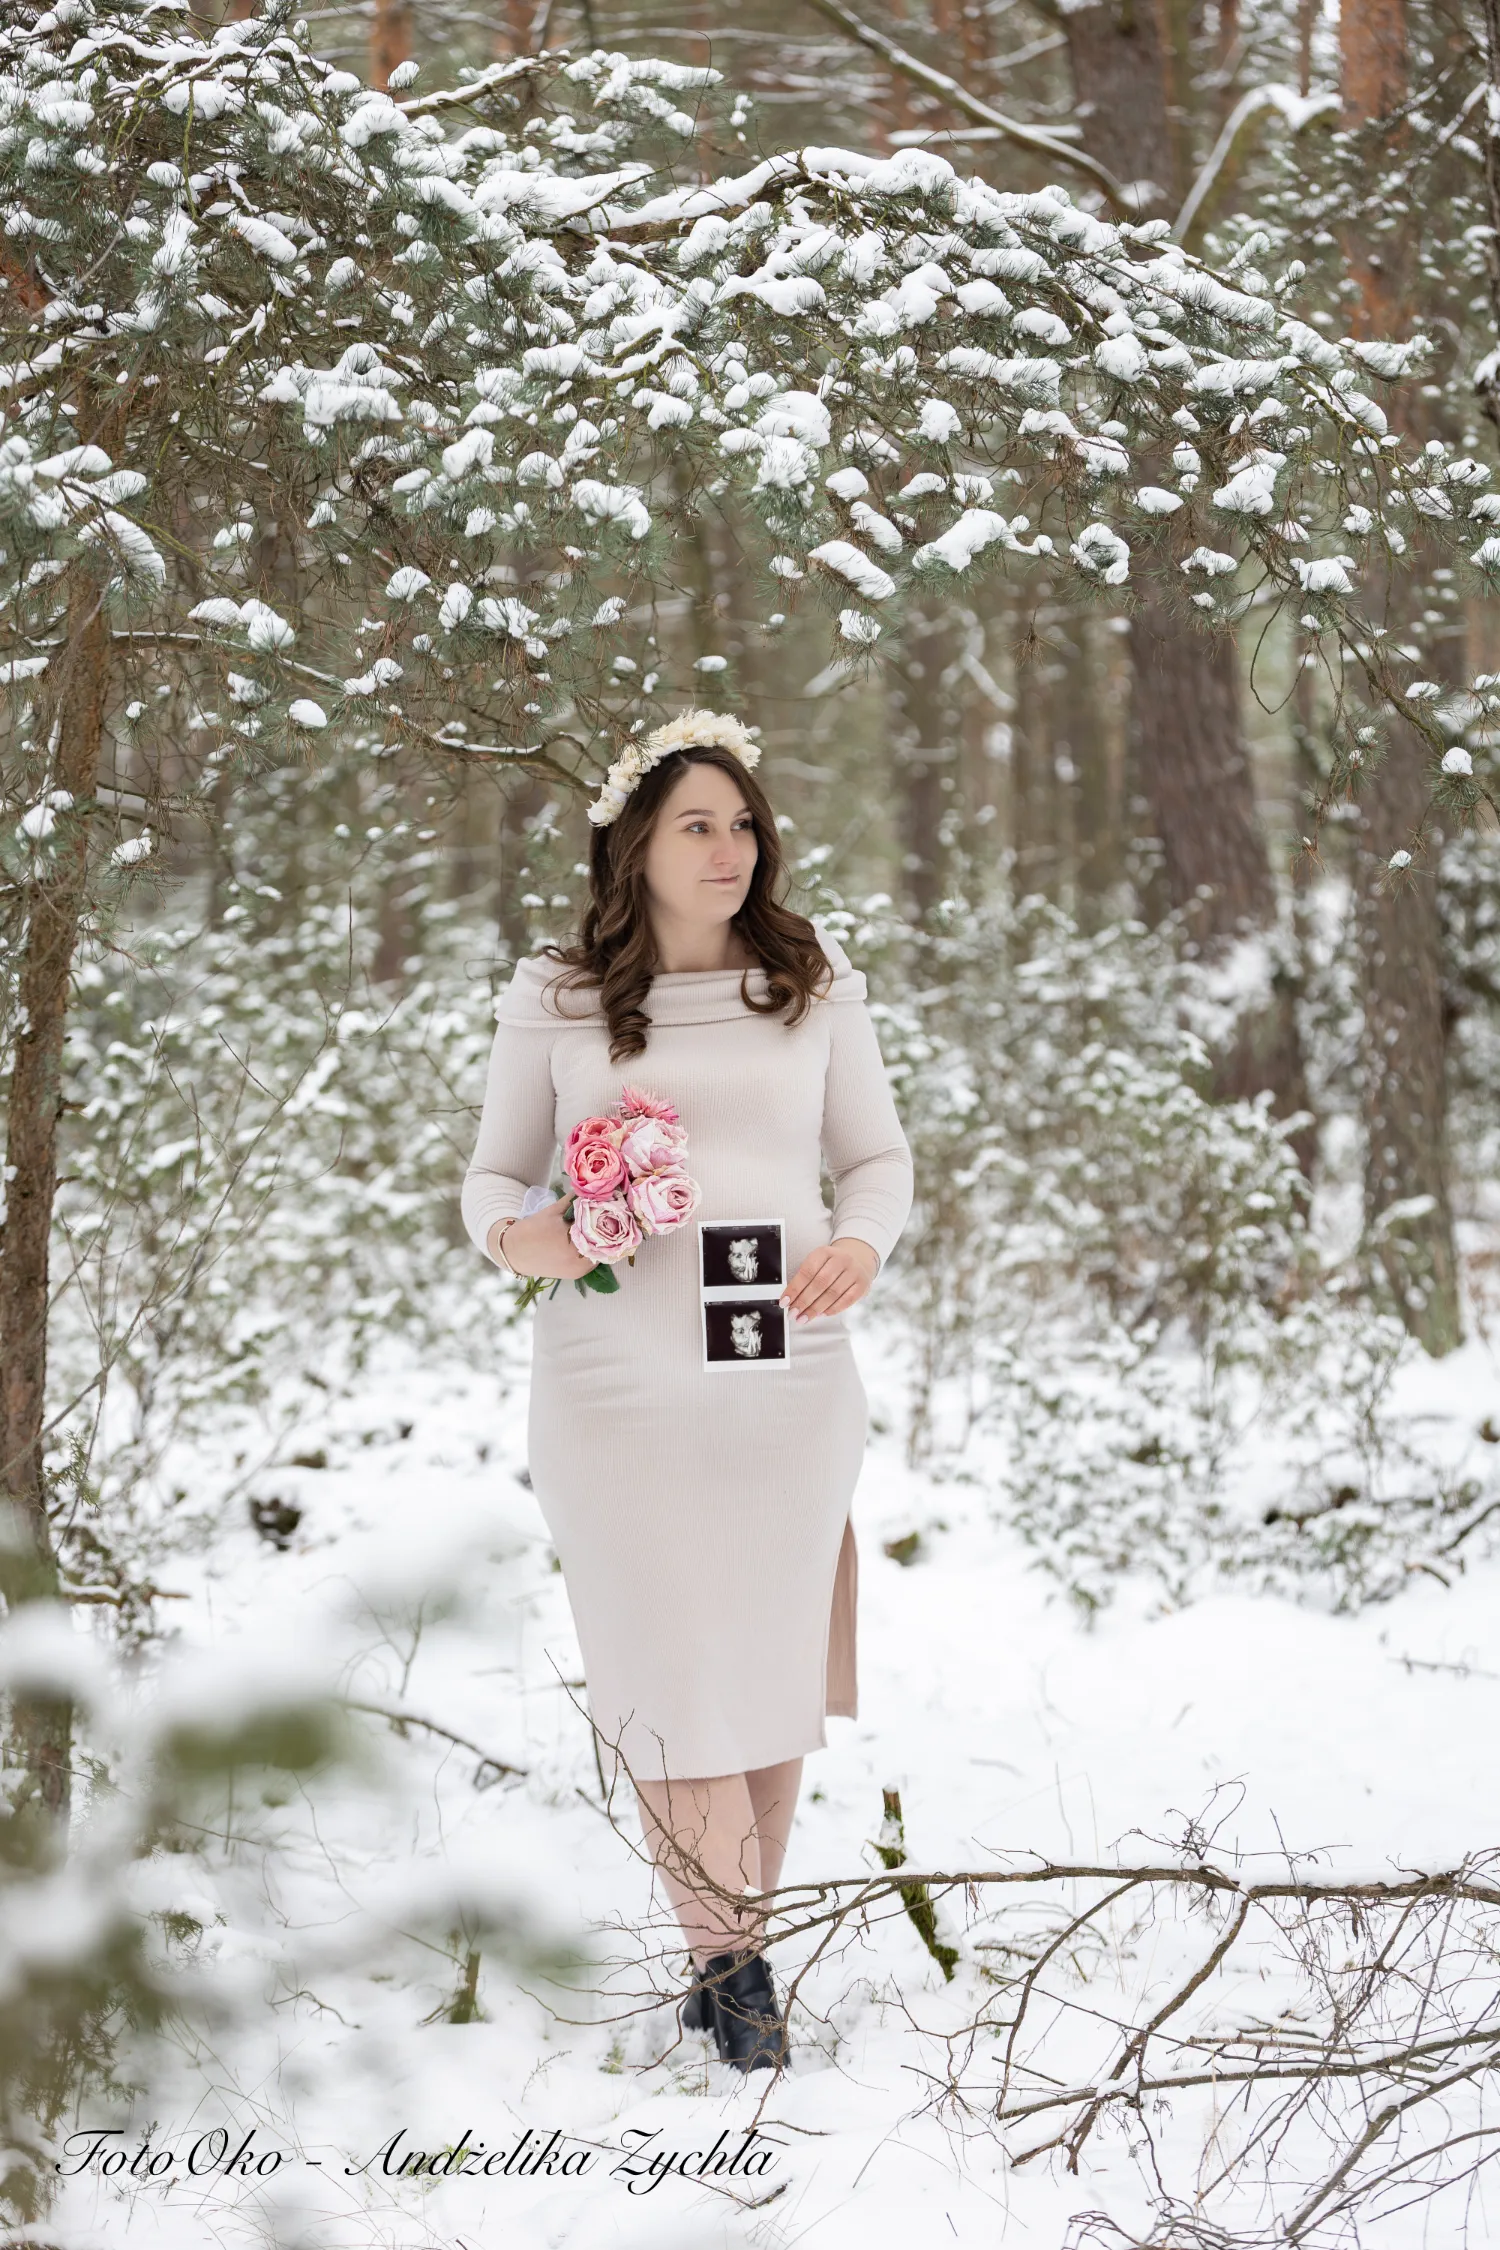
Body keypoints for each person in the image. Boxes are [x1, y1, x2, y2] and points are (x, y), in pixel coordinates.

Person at [461, 709, 913, 2073]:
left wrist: (857, 1244)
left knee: (765, 1671)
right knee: (668, 1667)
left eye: (745, 822)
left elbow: (878, 1157)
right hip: (616, 1387)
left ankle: (727, 1965)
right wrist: (530, 1236)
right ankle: (738, 1972)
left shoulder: (811, 981)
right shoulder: (560, 992)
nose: (731, 848)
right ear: (636, 847)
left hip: (785, 1379)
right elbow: (493, 1178)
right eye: (697, 825)